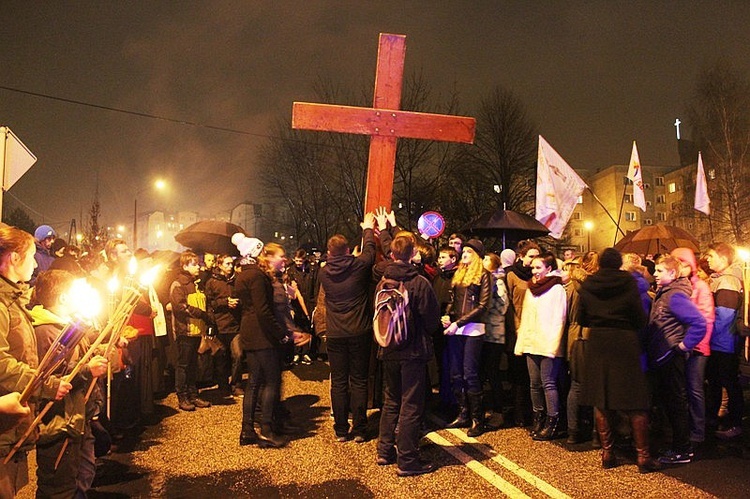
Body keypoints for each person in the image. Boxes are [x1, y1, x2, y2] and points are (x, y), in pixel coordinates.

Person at [0, 226, 72, 497]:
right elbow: (1, 363)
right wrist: (46, 384)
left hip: (11, 425)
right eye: (31, 256)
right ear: (14, 258)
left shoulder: (13, 300)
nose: (35, 264)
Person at [578, 248, 661, 473]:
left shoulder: (589, 284)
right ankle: (643, 456)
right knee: (636, 400)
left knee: (602, 399)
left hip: (599, 343)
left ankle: (608, 453)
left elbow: (582, 317)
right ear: (618, 264)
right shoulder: (629, 283)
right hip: (625, 342)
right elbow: (639, 317)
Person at [31, 269, 109, 498]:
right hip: (58, 421)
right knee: (60, 485)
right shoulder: (46, 331)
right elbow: (48, 379)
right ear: (64, 297)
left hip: (77, 415)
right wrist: (87, 370)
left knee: (83, 474)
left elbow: (80, 358)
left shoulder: (70, 326)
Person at [376, 233, 441, 477]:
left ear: (392, 254)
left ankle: (384, 451)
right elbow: (431, 319)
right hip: (413, 351)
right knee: (411, 405)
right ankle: (408, 459)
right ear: (412, 254)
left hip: (389, 349)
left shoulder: (383, 281)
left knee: (391, 401)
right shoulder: (419, 282)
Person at [318, 212, 377, 443]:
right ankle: (360, 428)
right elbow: (370, 251)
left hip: (335, 333)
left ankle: (341, 429)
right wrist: (367, 229)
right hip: (359, 331)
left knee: (339, 381)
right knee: (359, 380)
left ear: (329, 252)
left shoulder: (323, 272)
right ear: (347, 250)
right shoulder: (358, 267)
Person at [647, 255, 706, 465]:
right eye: (655, 270)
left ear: (672, 274)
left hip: (670, 356)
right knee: (671, 402)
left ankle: (683, 449)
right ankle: (678, 445)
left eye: (660, 270)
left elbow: (699, 323)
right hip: (663, 356)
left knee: (676, 403)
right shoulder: (664, 293)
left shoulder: (675, 296)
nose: (655, 274)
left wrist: (683, 346)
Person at [233, 235, 288, 448]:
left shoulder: (242, 275)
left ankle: (247, 429)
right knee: (271, 381)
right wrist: (279, 334)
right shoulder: (257, 276)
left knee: (254, 382)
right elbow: (263, 310)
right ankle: (266, 429)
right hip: (262, 335)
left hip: (249, 332)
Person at [514, 252, 566, 441]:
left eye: (538, 268)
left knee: (548, 383)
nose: (534, 272)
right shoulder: (531, 288)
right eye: (533, 267)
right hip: (531, 341)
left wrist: (553, 344)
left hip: (548, 342)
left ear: (549, 269)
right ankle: (539, 418)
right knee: (534, 383)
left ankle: (553, 421)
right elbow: (526, 317)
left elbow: (559, 318)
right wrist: (523, 340)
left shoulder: (556, 289)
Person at [442, 238, 491, 437]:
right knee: (455, 373)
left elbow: (483, 306)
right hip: (456, 329)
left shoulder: (484, 275)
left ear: (477, 256)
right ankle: (463, 413)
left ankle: (477, 419)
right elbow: (453, 301)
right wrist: (447, 315)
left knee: (470, 373)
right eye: (465, 251)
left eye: (470, 252)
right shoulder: (458, 274)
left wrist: (458, 323)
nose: (465, 254)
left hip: (473, 330)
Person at [671, 247, 715, 447]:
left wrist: (698, 344)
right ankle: (684, 428)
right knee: (681, 389)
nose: (682, 268)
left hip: (696, 347)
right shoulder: (677, 287)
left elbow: (706, 319)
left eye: (685, 264)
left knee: (695, 388)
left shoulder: (701, 287)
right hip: (681, 346)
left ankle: (698, 430)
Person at [704, 242, 744, 440]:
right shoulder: (720, 279)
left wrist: (708, 337)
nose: (707, 259)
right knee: (717, 382)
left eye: (711, 256)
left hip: (723, 342)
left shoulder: (727, 282)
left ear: (723, 258)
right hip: (721, 341)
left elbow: (724, 317)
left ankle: (735, 424)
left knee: (728, 382)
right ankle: (715, 419)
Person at [170, 251, 212, 412]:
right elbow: (180, 306)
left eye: (198, 263)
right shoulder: (178, 284)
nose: (198, 267)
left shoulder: (197, 283)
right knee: (183, 365)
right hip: (185, 331)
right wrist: (200, 314)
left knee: (194, 364)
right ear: (185, 265)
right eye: (194, 264)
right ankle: (182, 396)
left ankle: (193, 394)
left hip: (197, 330)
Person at [505, 240, 540, 427]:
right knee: (518, 374)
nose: (534, 260)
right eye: (531, 256)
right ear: (521, 257)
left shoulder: (538, 276)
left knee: (532, 375)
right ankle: (519, 413)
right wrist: (516, 328)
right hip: (517, 330)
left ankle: (533, 412)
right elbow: (508, 304)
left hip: (534, 330)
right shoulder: (511, 275)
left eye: (537, 256)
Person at [205, 254, 243, 397]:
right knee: (221, 357)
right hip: (220, 325)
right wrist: (224, 302)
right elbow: (209, 304)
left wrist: (238, 303)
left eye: (231, 264)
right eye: (227, 264)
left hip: (235, 325)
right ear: (220, 265)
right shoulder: (211, 282)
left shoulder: (237, 280)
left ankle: (236, 384)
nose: (230, 266)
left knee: (238, 355)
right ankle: (223, 385)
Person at [480, 252, 508, 428]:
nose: (483, 261)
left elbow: (502, 306)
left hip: (495, 334)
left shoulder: (498, 283)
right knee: (485, 372)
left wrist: (483, 308)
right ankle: (487, 409)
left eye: (486, 259)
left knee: (492, 373)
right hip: (485, 332)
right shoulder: (486, 281)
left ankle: (499, 412)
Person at [432, 246, 458, 410]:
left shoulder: (457, 277)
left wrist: (451, 316)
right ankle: (444, 397)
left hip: (451, 325)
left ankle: (454, 400)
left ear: (453, 259)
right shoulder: (438, 278)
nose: (440, 260)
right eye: (439, 257)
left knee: (452, 363)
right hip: (438, 326)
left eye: (443, 257)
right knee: (441, 363)